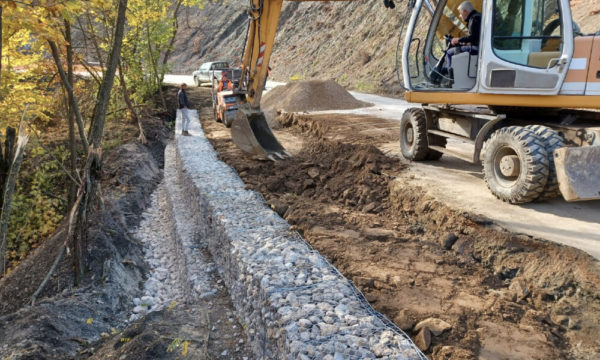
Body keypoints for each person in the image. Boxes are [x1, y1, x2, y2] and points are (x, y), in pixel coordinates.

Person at [446, 1, 481, 70]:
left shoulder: (474, 19)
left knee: (449, 52)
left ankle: (449, 73)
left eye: (460, 13)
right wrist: (465, 42)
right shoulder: (477, 16)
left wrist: (458, 40)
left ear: (465, 11)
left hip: (478, 48)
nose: (459, 16)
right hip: (479, 46)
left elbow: (474, 37)